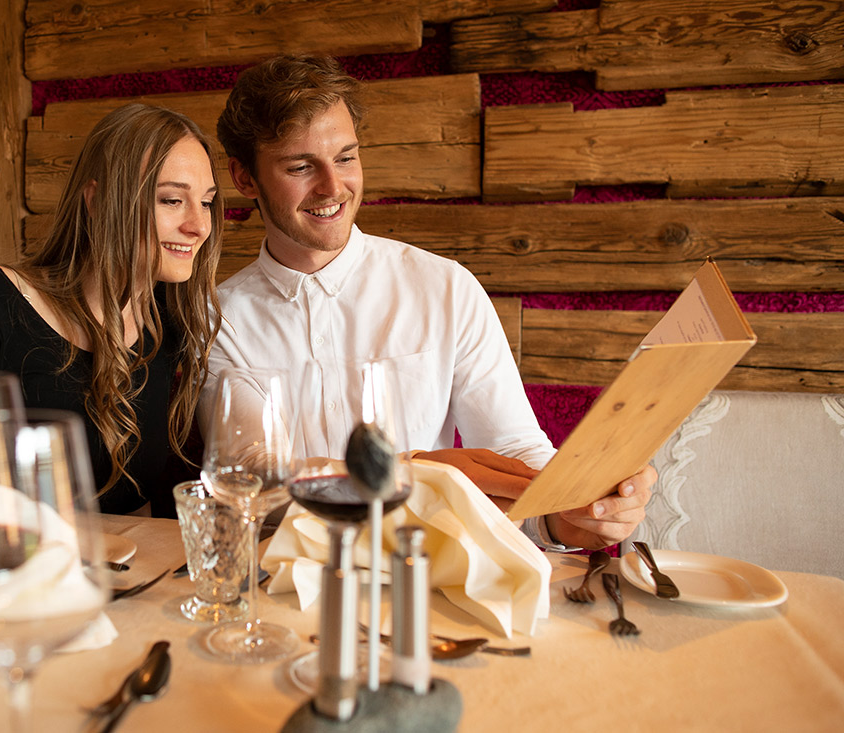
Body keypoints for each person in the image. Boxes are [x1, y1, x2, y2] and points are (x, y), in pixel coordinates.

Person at [202, 55, 654, 550]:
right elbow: (259, 482)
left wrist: (570, 515)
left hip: (425, 580)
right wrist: (415, 471)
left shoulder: (445, 288)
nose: (334, 188)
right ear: (245, 178)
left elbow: (515, 450)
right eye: (301, 166)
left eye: (346, 158)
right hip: (281, 588)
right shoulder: (216, 319)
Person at [0, 103, 222, 516]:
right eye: (171, 200)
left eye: (206, 202)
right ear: (96, 201)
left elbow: (139, 510)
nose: (199, 226)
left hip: (123, 571)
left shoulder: (168, 325)